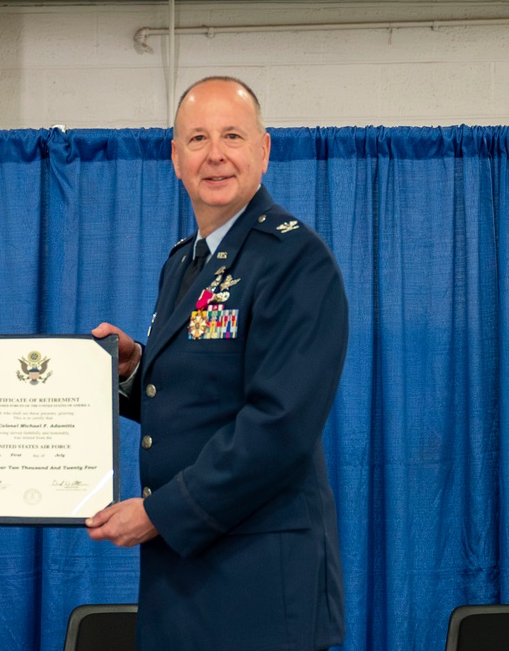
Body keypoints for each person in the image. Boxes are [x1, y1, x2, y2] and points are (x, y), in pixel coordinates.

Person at [87, 76, 348, 651]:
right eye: (198, 139)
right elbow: (189, 402)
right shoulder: (184, 263)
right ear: (175, 157)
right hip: (183, 583)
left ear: (264, 149)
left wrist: (159, 514)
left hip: (258, 588)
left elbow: (278, 426)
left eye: (233, 135)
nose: (216, 155)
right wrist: (134, 370)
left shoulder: (295, 261)